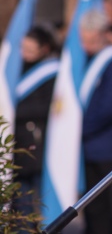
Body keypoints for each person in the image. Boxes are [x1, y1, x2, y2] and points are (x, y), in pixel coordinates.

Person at [80, 8, 112, 234]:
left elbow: (110, 107)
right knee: (92, 210)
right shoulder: (86, 60)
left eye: (92, 39)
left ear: (102, 34)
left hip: (109, 150)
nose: (87, 44)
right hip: (89, 149)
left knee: (109, 213)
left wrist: (80, 128)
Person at [12, 25, 59, 221]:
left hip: (36, 147)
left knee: (38, 202)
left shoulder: (52, 72)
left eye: (30, 50)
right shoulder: (15, 68)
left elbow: (46, 106)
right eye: (23, 49)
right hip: (15, 147)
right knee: (19, 204)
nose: (25, 54)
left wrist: (14, 111)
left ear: (44, 49)